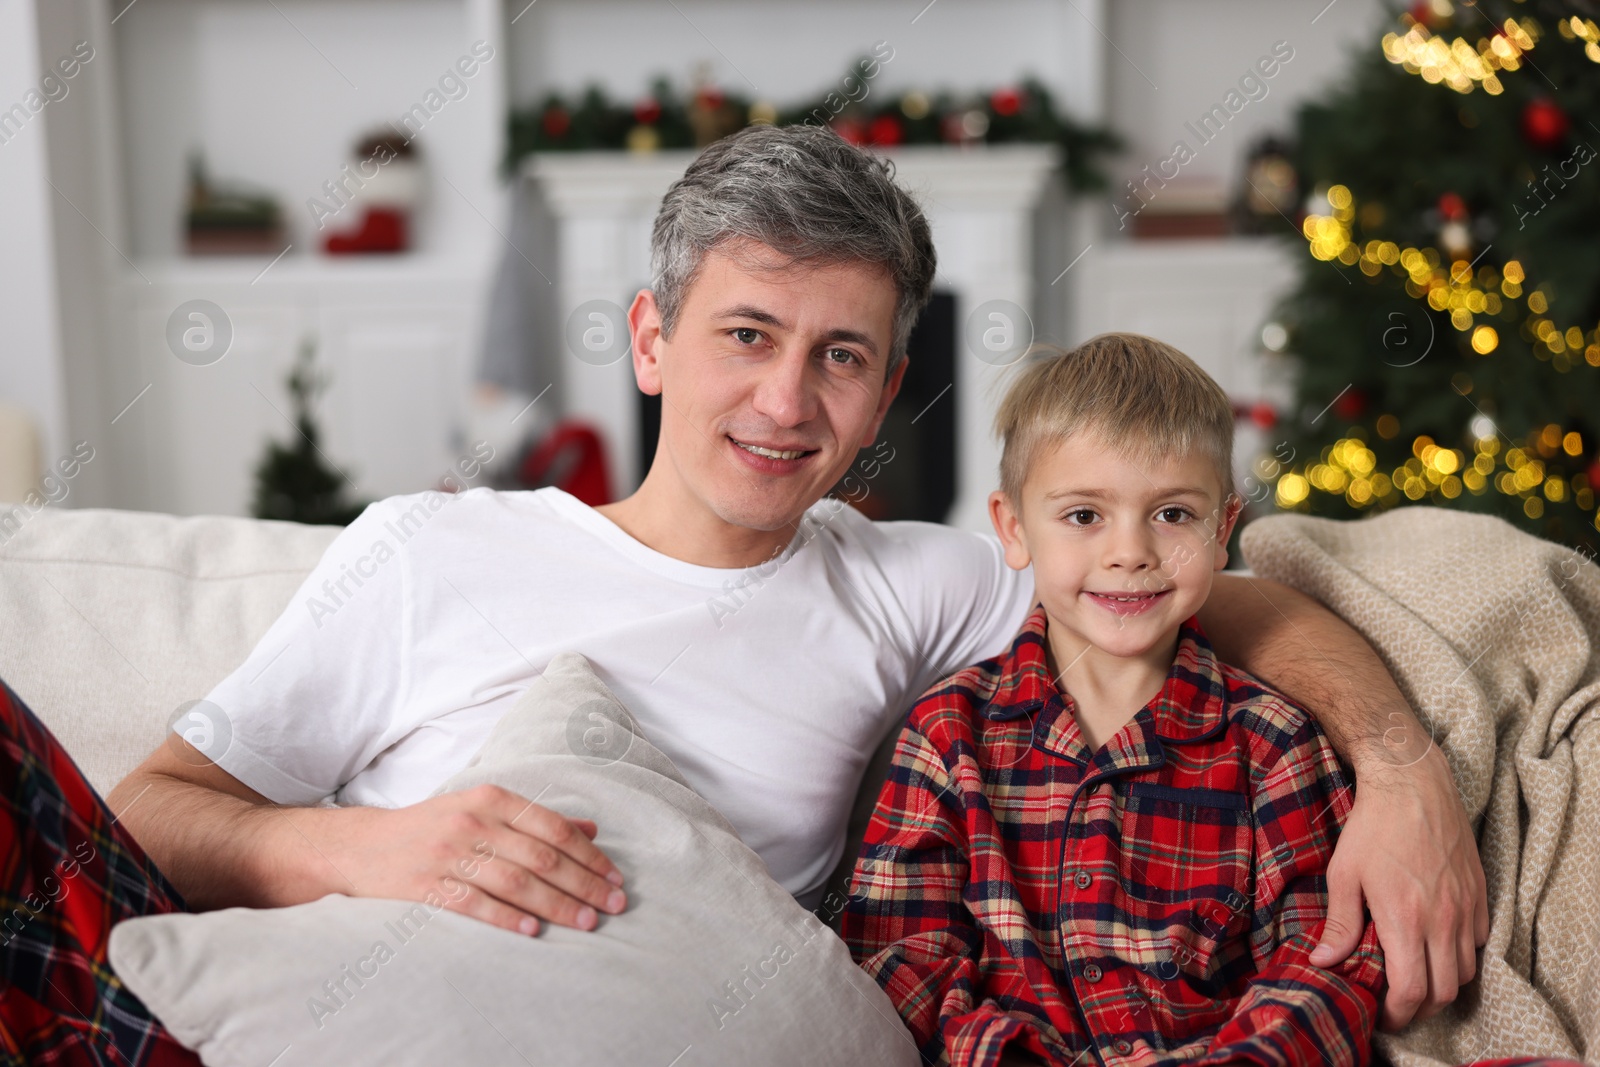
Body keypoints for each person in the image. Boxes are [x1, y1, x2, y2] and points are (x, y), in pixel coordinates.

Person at [2, 125, 1482, 1065]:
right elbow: (148, 815)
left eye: (841, 354)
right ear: (650, 338)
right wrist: (367, 848)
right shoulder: (427, 548)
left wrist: (1404, 764)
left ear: (892, 386)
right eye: (747, 333)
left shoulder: (915, 584)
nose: (787, 398)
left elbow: (1204, 588)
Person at [841, 334, 1384, 1065]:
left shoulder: (1275, 740)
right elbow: (898, 957)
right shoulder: (949, 732)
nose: (1130, 552)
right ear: (1013, 527)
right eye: (1084, 516)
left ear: (1223, 530)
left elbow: (1324, 960)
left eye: (1172, 515)